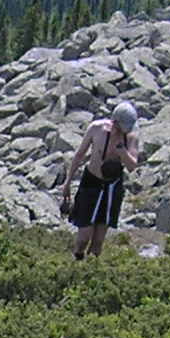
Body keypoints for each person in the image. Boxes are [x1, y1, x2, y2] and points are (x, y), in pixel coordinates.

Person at [59, 99, 142, 258]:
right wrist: (68, 182)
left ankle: (91, 271)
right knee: (84, 236)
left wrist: (122, 151)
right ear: (115, 122)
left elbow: (132, 166)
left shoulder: (131, 137)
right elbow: (79, 155)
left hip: (112, 186)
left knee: (98, 240)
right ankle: (75, 262)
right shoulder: (96, 129)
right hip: (91, 182)